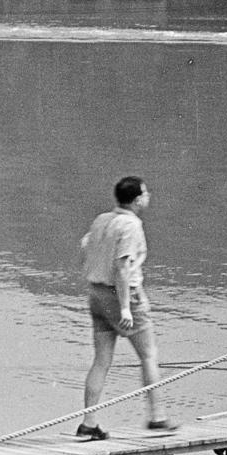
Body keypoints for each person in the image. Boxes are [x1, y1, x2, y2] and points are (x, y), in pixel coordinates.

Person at [77, 176, 174, 439]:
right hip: (123, 295)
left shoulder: (101, 220)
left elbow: (85, 247)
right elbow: (122, 267)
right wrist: (125, 308)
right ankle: (157, 417)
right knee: (149, 355)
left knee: (101, 361)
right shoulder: (130, 225)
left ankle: (89, 422)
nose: (148, 196)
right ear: (137, 199)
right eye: (145, 193)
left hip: (96, 294)